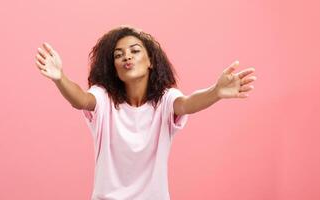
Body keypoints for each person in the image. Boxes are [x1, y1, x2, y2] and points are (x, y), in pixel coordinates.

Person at [34, 26, 256, 200]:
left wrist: (216, 92)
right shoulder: (104, 99)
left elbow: (187, 104)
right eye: (118, 55)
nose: (127, 57)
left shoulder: (166, 100)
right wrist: (59, 77)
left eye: (135, 51)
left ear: (151, 60)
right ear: (114, 68)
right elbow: (81, 99)